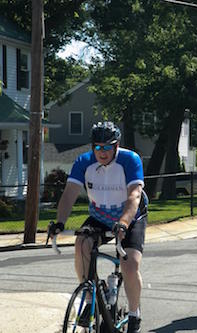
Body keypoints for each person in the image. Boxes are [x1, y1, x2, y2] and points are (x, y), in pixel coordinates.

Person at [48, 122, 147, 333]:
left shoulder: (130, 160)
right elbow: (69, 194)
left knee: (129, 265)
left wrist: (123, 223)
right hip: (99, 217)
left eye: (107, 147)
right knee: (81, 244)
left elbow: (134, 195)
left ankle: (134, 312)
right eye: (98, 147)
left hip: (130, 217)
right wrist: (60, 223)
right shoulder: (84, 162)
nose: (102, 152)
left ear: (117, 145)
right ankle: (91, 295)